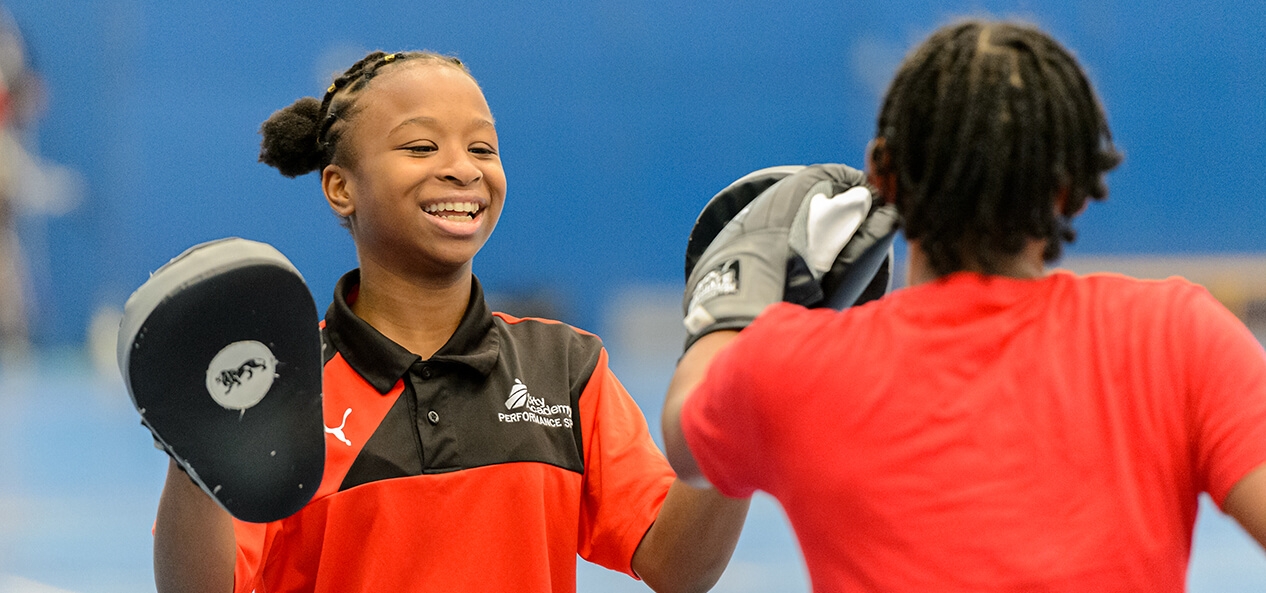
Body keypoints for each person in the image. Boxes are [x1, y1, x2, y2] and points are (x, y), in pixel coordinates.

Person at [662, 19, 1266, 592]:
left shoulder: (792, 367)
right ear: (1070, 191)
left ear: (885, 177)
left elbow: (686, 441)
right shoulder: (1175, 336)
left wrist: (742, 288)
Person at [150, 50, 750, 593]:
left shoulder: (564, 369)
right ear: (340, 187)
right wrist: (196, 455)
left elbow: (678, 565)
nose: (462, 169)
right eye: (420, 147)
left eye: (482, 148)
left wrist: (742, 386)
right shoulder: (284, 392)